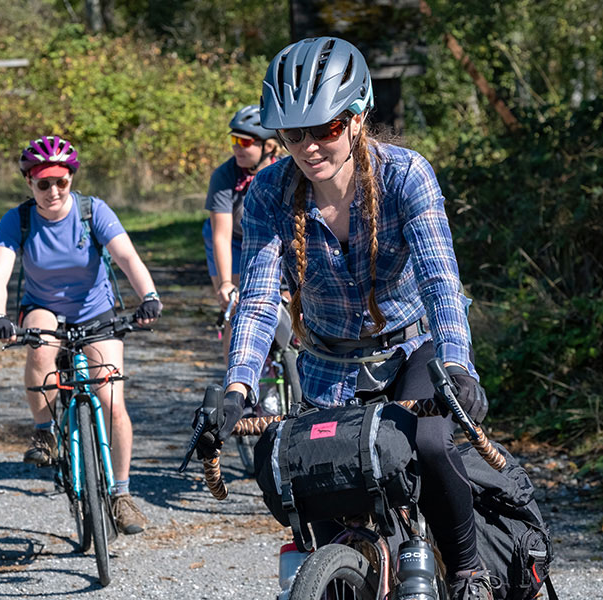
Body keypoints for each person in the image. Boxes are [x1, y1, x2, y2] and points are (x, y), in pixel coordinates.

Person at [201, 37, 494, 600]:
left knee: (432, 446)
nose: (309, 147)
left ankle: (467, 572)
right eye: (293, 135)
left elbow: (439, 282)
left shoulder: (405, 175)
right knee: (309, 477)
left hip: (413, 349)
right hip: (328, 361)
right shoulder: (267, 193)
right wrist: (237, 386)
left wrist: (458, 367)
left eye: (326, 129)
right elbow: (261, 297)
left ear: (357, 117)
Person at [0, 135, 162, 535]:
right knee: (41, 350)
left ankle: (121, 494)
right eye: (43, 183)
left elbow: (126, 256)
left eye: (60, 182)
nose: (52, 191)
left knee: (111, 399)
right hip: (45, 307)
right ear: (29, 183)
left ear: (71, 180)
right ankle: (46, 432)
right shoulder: (19, 219)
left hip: (95, 308)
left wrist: (149, 296)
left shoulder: (91, 211)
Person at [202, 105, 281, 362]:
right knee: (237, 307)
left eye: (244, 141)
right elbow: (221, 236)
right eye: (233, 140)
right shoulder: (225, 175)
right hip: (234, 241)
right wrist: (226, 283)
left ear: (268, 146)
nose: (236, 147)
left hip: (276, 239)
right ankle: (234, 390)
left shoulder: (285, 170)